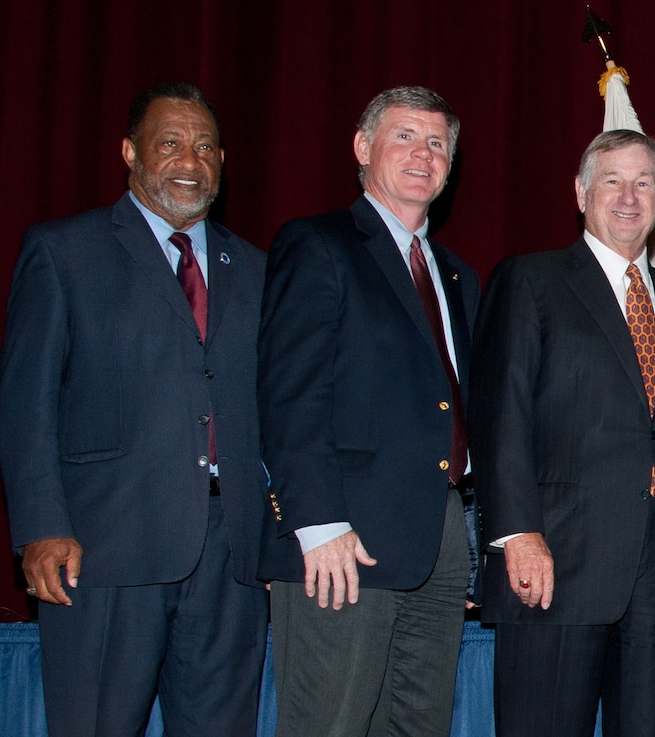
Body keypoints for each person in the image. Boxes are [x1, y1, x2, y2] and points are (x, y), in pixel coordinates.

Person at [0, 82, 269, 737]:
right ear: (130, 151)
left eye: (206, 147)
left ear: (223, 162)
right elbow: (24, 401)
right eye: (170, 143)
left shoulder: (259, 269)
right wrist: (40, 524)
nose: (189, 160)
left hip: (230, 560)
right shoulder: (64, 253)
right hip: (102, 550)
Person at [470, 129, 655, 736]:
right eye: (612, 181)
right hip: (556, 564)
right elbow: (501, 415)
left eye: (643, 184)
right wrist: (516, 533)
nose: (628, 197)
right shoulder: (531, 281)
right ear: (581, 192)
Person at [258, 86, 480, 737]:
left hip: (436, 541)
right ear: (363, 147)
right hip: (343, 539)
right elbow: (289, 392)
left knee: (417, 726)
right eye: (405, 136)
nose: (423, 154)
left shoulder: (457, 275)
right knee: (329, 723)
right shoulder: (317, 244)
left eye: (438, 143)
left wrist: (467, 538)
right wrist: (316, 522)